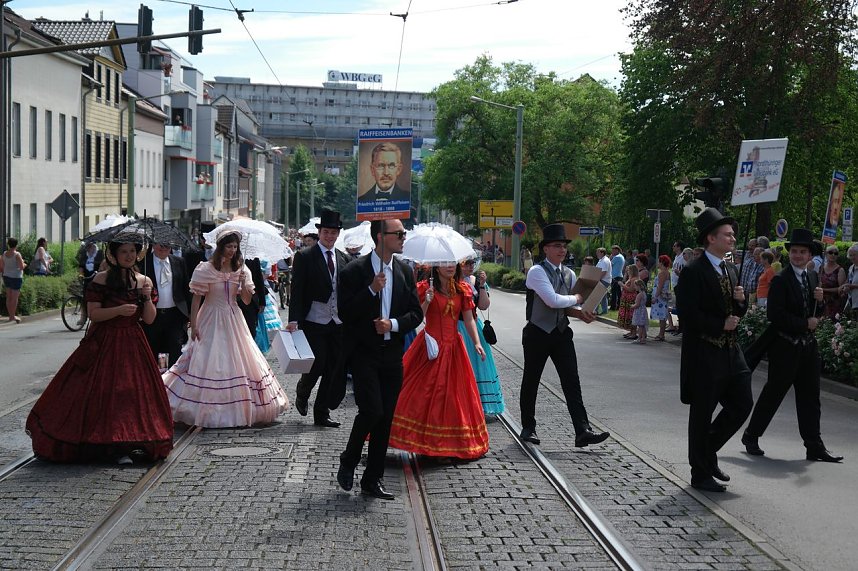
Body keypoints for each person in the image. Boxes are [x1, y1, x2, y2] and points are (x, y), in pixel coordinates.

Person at [26, 241, 173, 464]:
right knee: (106, 392)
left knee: (131, 394)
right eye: (123, 252)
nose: (129, 256)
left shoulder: (144, 281)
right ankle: (108, 442)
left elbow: (149, 319)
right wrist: (119, 310)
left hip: (134, 342)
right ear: (113, 255)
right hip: (105, 341)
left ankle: (134, 441)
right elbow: (94, 314)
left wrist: (145, 296)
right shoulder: (101, 279)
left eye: (132, 251)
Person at [162, 230, 289, 428]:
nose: (232, 250)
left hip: (233, 317)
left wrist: (244, 285)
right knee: (207, 358)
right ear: (221, 247)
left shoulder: (242, 269)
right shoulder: (206, 268)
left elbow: (246, 300)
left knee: (240, 358)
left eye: (235, 247)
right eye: (229, 246)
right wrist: (194, 324)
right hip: (211, 316)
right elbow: (197, 299)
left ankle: (241, 407)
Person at [336, 219, 422, 500]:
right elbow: (346, 313)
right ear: (379, 236)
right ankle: (349, 459)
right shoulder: (354, 270)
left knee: (386, 418)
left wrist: (393, 324)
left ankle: (373, 478)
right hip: (364, 353)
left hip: (392, 353)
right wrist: (371, 290)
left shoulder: (405, 271)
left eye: (403, 233)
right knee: (372, 411)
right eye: (398, 234)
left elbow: (416, 314)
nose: (403, 237)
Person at [742, 229, 843, 463]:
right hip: (785, 347)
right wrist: (803, 323)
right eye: (795, 251)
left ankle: (814, 445)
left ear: (809, 255)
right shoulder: (780, 279)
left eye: (803, 252)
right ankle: (751, 435)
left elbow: (815, 314)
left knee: (810, 398)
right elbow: (775, 315)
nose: (798, 255)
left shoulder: (811, 277)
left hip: (808, 348)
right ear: (790, 254)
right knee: (774, 394)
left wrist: (820, 301)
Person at [676, 208, 753, 493]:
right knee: (702, 413)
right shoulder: (693, 272)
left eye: (733, 234)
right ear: (711, 238)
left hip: (732, 353)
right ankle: (700, 473)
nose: (732, 238)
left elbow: (737, 311)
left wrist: (741, 302)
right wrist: (721, 323)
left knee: (742, 403)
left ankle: (706, 451)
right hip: (705, 354)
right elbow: (688, 315)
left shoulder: (731, 268)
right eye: (727, 234)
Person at [519, 223, 609, 448]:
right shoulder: (536, 271)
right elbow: (552, 300)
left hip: (560, 333)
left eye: (564, 246)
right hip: (537, 333)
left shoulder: (569, 273)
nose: (562, 250)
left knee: (572, 381)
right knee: (532, 380)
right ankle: (528, 427)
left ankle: (582, 430)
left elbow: (564, 308)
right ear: (546, 249)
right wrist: (578, 299)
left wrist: (582, 314)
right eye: (557, 246)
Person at [389, 261, 489, 460]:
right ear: (436, 267)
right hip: (430, 348)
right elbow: (417, 318)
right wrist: (426, 301)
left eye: (452, 263)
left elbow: (468, 318)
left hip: (454, 348)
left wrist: (477, 342)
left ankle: (448, 443)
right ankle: (425, 442)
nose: (449, 267)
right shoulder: (425, 288)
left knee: (453, 397)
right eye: (444, 263)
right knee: (422, 393)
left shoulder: (463, 289)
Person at [287, 209, 351, 427]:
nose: (330, 236)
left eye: (333, 233)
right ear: (320, 232)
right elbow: (297, 290)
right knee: (317, 363)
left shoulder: (344, 258)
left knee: (333, 368)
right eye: (326, 232)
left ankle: (321, 413)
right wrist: (294, 319)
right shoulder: (305, 256)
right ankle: (303, 391)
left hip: (338, 322)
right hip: (314, 320)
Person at [458, 257, 505, 416]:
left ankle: (478, 403)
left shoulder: (475, 280)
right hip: (456, 326)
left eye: (473, 263)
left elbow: (484, 305)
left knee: (478, 364)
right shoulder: (451, 281)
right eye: (467, 263)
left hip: (473, 325)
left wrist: (483, 285)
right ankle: (462, 403)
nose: (471, 266)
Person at [141, 243, 191, 368]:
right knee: (151, 351)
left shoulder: (179, 262)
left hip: (175, 315)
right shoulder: (143, 263)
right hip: (152, 316)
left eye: (167, 245)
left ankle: (172, 383)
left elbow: (186, 289)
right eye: (160, 244)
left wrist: (190, 314)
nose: (163, 248)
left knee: (175, 349)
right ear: (153, 244)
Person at [1, 238, 26, 323]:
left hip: (6, 276)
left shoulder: (4, 254)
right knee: (15, 298)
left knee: (9, 297)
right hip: (16, 277)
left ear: (8, 244)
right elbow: (21, 267)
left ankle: (10, 315)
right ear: (16, 245)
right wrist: (24, 264)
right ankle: (12, 316)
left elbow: (2, 266)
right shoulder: (17, 254)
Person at [819, 246, 846, 319]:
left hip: (834, 304)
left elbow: (841, 289)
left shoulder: (840, 270)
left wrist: (824, 290)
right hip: (821, 302)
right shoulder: (821, 268)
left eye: (836, 253)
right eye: (830, 252)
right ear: (825, 254)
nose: (833, 255)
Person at [650, 255, 673, 341]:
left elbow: (660, 286)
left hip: (660, 297)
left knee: (662, 316)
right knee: (662, 315)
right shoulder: (667, 272)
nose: (657, 263)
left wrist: (655, 297)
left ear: (662, 262)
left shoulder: (662, 273)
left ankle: (661, 334)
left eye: (659, 261)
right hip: (662, 297)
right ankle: (661, 333)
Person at [617, 265, 639, 339]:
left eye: (629, 270)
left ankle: (634, 333)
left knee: (631, 315)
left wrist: (622, 285)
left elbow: (631, 289)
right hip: (626, 298)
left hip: (630, 299)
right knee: (628, 315)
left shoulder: (634, 279)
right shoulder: (631, 278)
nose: (628, 271)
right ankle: (631, 331)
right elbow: (624, 280)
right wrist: (626, 274)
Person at [840, 244, 858, 319]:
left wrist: (851, 286)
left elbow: (851, 284)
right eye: (850, 255)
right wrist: (843, 288)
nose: (852, 257)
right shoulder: (851, 267)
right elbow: (848, 281)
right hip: (852, 301)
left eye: (854, 255)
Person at [630, 279, 649, 344]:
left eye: (635, 286)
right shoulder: (644, 294)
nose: (635, 287)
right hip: (643, 310)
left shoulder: (639, 295)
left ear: (639, 286)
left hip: (639, 311)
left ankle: (639, 338)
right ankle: (643, 338)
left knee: (640, 326)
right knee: (642, 325)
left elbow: (637, 305)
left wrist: (632, 306)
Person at [595, 247, 612, 315]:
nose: (596, 253)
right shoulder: (601, 260)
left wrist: (597, 279)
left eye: (598, 252)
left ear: (602, 253)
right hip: (604, 280)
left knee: (598, 295)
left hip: (603, 280)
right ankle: (604, 311)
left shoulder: (605, 261)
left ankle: (595, 310)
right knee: (602, 296)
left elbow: (603, 272)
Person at [609, 245, 625, 310]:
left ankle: (613, 306)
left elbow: (609, 264)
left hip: (615, 276)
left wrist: (610, 258)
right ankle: (619, 306)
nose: (612, 252)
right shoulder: (621, 256)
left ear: (617, 250)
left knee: (614, 292)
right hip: (619, 275)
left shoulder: (616, 257)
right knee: (619, 292)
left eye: (613, 250)